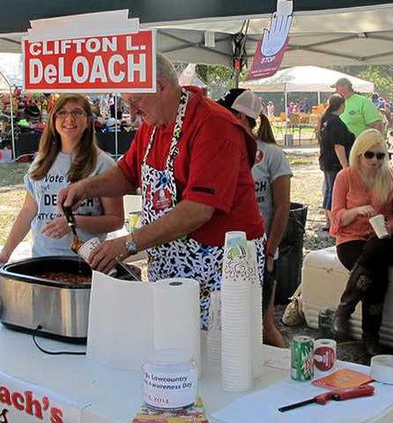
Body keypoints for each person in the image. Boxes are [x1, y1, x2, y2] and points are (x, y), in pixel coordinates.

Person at [58, 54, 265, 328]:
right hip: (171, 261)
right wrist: (85, 187)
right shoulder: (153, 126)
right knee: (173, 338)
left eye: (135, 102)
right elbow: (127, 174)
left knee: (221, 351)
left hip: (221, 264)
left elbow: (198, 210)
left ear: (162, 87)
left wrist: (127, 243)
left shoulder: (215, 125)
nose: (132, 114)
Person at [0, 94, 123, 265]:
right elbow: (28, 211)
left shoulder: (103, 164)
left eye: (77, 112)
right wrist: (5, 252)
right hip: (42, 260)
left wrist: (73, 222)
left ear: (88, 121)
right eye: (61, 112)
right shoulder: (41, 161)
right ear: (53, 120)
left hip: (85, 263)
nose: (69, 118)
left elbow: (116, 220)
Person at [217, 89, 292, 347]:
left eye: (226, 113)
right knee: (233, 324)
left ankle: (288, 377)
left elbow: (283, 207)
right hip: (229, 251)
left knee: (264, 325)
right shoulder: (224, 149)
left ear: (239, 116)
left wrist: (270, 252)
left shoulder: (272, 154)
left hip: (261, 251)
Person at [330, 129, 393, 356]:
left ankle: (345, 308)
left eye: (381, 155)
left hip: (382, 240)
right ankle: (371, 339)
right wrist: (356, 211)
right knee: (377, 276)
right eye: (369, 155)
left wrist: (390, 225)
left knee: (378, 248)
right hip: (351, 239)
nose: (375, 160)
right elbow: (336, 216)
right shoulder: (345, 177)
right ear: (359, 154)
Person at [319, 94, 355, 230]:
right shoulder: (336, 122)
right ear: (341, 106)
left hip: (326, 160)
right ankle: (332, 221)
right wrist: (345, 165)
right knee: (333, 191)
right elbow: (338, 146)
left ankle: (329, 220)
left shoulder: (325, 119)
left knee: (329, 189)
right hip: (334, 162)